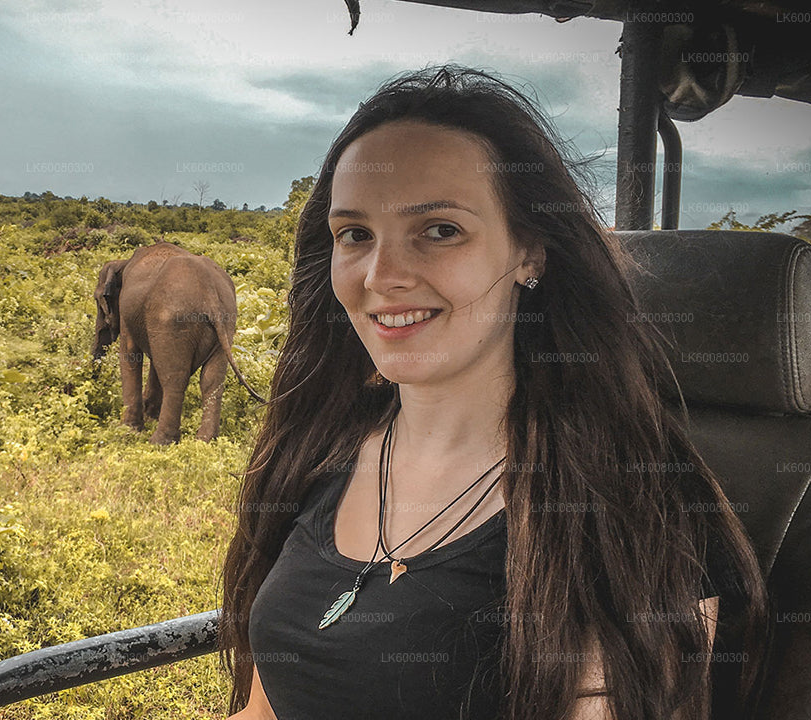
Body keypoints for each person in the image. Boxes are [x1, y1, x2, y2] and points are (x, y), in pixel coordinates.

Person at [218, 65, 769, 720]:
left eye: (440, 230)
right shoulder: (319, 454)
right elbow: (262, 708)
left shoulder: (627, 504)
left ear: (529, 252)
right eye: (355, 234)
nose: (382, 275)